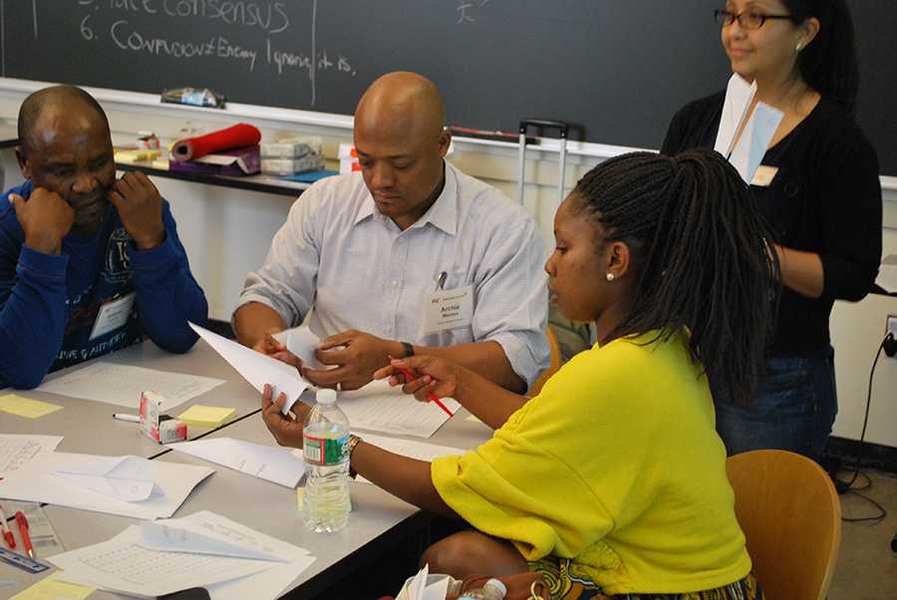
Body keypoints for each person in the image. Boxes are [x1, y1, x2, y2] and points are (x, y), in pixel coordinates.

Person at [261, 150, 776, 599]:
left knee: (450, 564)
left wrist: (330, 440)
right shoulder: (663, 343)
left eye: (564, 248)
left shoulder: (617, 373)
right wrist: (460, 381)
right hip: (699, 580)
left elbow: (457, 487)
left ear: (616, 259)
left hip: (666, 591)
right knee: (459, 558)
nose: (549, 266)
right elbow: (549, 427)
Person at [661, 0, 882, 461]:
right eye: (729, 14)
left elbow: (854, 274)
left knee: (756, 525)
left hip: (773, 381)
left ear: (805, 31)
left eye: (755, 17)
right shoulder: (696, 120)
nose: (735, 31)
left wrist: (756, 255)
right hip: (683, 358)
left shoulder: (836, 141)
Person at [234, 71, 548, 393]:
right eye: (366, 162)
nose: (381, 180)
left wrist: (399, 357)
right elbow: (265, 297)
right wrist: (270, 342)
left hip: (445, 417)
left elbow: (515, 359)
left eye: (401, 165)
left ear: (442, 144)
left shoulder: (503, 229)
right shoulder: (324, 204)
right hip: (330, 407)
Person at [0, 85, 208, 389]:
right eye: (62, 171)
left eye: (99, 163)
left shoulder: (137, 212)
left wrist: (152, 242)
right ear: (25, 164)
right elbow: (19, 371)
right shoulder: (8, 229)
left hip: (115, 390)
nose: (85, 185)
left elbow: (184, 335)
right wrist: (40, 253)